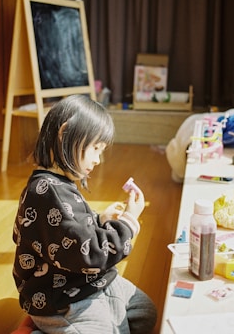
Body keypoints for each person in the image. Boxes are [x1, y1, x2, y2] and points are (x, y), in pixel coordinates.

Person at [12, 94, 157, 334]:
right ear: (65, 134)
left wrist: (100, 220)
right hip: (61, 297)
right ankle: (39, 326)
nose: (98, 160)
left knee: (145, 313)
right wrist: (128, 223)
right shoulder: (47, 191)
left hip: (90, 281)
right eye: (95, 149)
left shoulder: (58, 184)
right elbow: (90, 254)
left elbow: (70, 231)